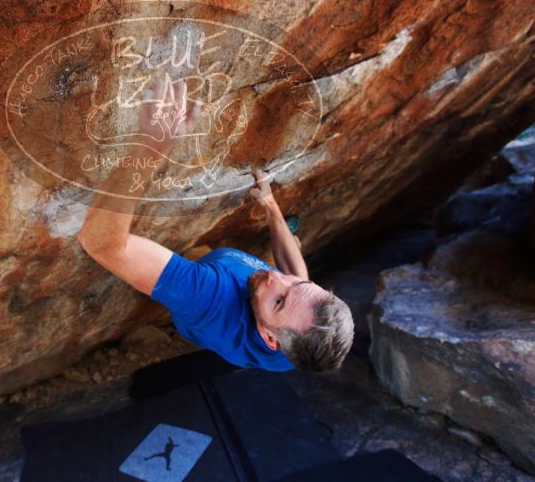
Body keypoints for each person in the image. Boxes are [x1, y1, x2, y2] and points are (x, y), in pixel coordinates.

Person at [76, 79, 354, 372]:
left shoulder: (210, 297)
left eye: (279, 301)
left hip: (202, 297)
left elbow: (101, 244)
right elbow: (296, 281)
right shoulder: (295, 349)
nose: (277, 279)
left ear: (269, 338)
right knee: (293, 257)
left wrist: (151, 149)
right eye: (300, 286)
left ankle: (191, 263)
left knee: (198, 255)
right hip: (255, 318)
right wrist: (271, 207)